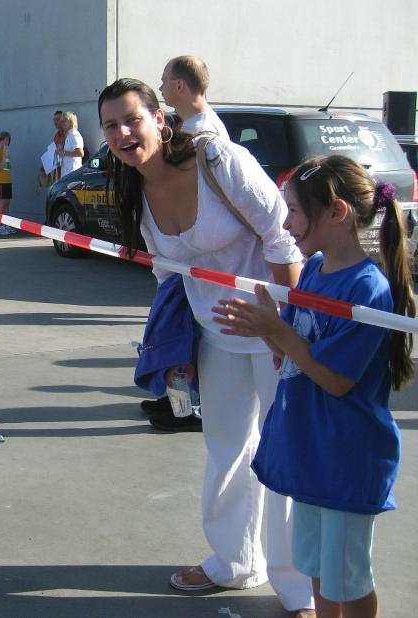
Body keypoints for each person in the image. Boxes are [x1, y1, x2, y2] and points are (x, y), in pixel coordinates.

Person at [98, 78, 314, 615]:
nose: (123, 133)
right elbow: (168, 275)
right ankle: (235, 562)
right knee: (227, 449)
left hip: (274, 329)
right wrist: (173, 347)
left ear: (160, 119)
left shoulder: (218, 161)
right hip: (214, 336)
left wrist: (285, 328)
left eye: (132, 119)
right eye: (111, 125)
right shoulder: (133, 191)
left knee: (286, 453)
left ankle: (300, 587)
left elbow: (282, 237)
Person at [214, 156, 414, 617]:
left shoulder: (368, 289)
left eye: (295, 211)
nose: (286, 223)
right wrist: (266, 329)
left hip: (347, 458)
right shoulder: (315, 268)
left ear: (336, 212)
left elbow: (337, 380)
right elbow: (296, 355)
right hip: (312, 453)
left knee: (348, 580)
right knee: (317, 569)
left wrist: (278, 331)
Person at [160, 55, 229, 139]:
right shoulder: (205, 123)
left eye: (164, 81)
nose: (160, 88)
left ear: (179, 85)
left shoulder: (198, 132)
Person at [0, 131, 15, 235]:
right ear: (0, 140)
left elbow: (7, 167)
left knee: (7, 203)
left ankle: (5, 224)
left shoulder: (6, 152)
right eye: (5, 140)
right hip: (0, 181)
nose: (7, 142)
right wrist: (4, 156)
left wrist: (7, 157)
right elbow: (0, 167)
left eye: (8, 140)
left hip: (7, 180)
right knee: (2, 203)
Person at [60, 111, 84, 177]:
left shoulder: (74, 135)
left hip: (73, 172)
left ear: (71, 121)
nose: (62, 123)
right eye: (62, 121)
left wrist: (64, 153)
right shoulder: (69, 135)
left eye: (65, 120)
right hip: (68, 172)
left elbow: (80, 153)